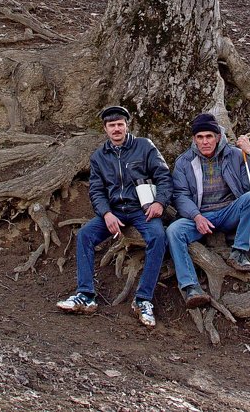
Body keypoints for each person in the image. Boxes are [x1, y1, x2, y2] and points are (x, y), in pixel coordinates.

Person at [57, 105, 172, 328]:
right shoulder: (99, 157)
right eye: (112, 125)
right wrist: (106, 213)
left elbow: (164, 176)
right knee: (85, 235)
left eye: (120, 124)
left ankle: (143, 300)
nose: (116, 129)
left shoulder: (144, 146)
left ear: (127, 126)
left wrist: (160, 202)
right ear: (105, 129)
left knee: (158, 237)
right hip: (115, 210)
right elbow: (96, 191)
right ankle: (85, 295)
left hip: (142, 209)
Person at [166, 112, 250, 308]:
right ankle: (190, 287)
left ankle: (239, 252)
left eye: (209, 136)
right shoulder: (184, 162)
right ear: (194, 139)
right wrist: (196, 216)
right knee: (173, 230)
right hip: (200, 215)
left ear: (218, 136)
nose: (205, 142)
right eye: (200, 137)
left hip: (229, 211)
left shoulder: (235, 155)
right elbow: (180, 195)